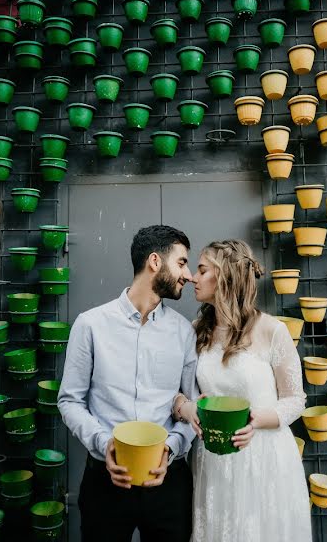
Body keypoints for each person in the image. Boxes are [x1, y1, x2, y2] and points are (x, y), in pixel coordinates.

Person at [58, 225, 198, 542]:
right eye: (181, 262)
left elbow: (193, 407)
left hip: (169, 485)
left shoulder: (183, 332)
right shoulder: (90, 324)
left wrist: (171, 447)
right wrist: (103, 443)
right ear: (154, 261)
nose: (188, 275)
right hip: (105, 483)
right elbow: (69, 401)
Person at [174, 239, 312, 542]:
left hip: (263, 457)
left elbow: (295, 399)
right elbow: (179, 395)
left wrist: (255, 420)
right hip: (213, 460)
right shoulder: (195, 330)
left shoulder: (272, 330)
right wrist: (187, 408)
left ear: (225, 276)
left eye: (201, 270)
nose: (193, 278)